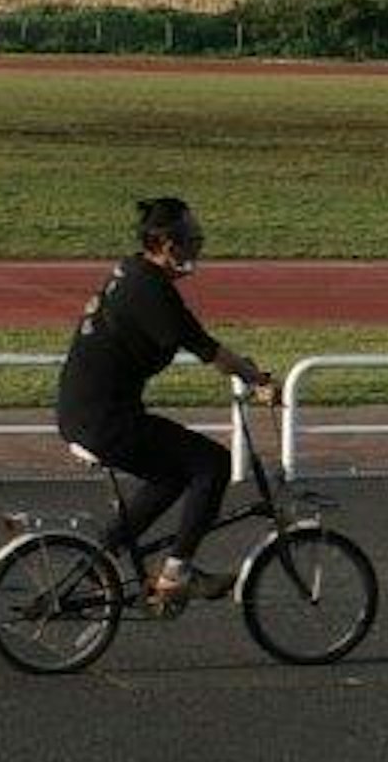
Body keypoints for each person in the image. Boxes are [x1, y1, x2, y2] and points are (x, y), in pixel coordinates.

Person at [55, 196, 271, 611]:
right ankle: (176, 574)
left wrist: (246, 371)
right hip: (104, 420)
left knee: (172, 476)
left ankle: (101, 556)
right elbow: (210, 350)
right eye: (192, 240)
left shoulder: (134, 272)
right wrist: (259, 381)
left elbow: (201, 342)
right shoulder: (152, 292)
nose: (198, 248)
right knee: (212, 464)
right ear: (169, 246)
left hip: (86, 412)